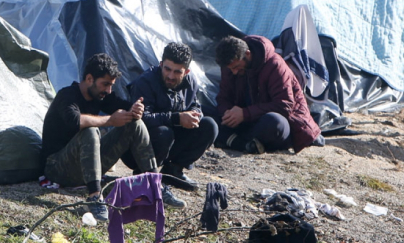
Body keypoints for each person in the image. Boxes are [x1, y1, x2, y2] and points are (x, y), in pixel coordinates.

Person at [41, 53, 185, 222]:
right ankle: (94, 197)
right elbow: (75, 121)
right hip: (58, 168)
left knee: (134, 124)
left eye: (111, 85)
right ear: (89, 79)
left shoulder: (101, 96)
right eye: (105, 84)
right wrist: (110, 120)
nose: (108, 90)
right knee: (90, 130)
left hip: (86, 167)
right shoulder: (67, 96)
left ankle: (155, 185)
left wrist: (135, 109)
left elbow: (123, 108)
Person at [125, 42, 219, 190]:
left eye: (177, 72)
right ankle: (145, 174)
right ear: (161, 64)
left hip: (172, 139)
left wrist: (194, 116)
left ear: (186, 72)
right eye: (167, 69)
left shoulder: (190, 82)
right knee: (163, 133)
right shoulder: (145, 81)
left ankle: (173, 171)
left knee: (209, 125)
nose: (170, 76)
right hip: (140, 147)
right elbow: (141, 119)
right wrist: (177, 118)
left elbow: (195, 106)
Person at [214, 35, 323, 154]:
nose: (234, 72)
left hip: (273, 124)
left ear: (248, 54)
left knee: (274, 122)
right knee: (204, 115)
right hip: (244, 123)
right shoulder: (229, 68)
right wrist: (227, 114)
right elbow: (223, 97)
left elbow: (284, 106)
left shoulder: (275, 65)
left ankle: (233, 141)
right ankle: (245, 144)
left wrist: (245, 114)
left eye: (236, 67)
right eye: (231, 69)